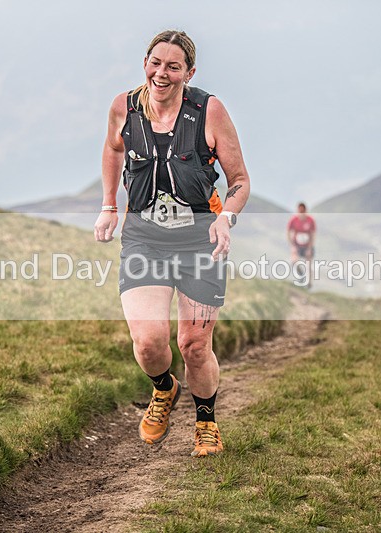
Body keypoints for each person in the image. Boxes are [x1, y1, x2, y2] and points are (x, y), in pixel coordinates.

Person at [94, 30, 250, 457]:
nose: (161, 73)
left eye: (173, 66)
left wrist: (226, 219)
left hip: (201, 239)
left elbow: (239, 181)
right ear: (145, 62)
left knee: (194, 346)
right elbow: (113, 150)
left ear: (189, 73)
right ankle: (164, 389)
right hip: (144, 236)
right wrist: (110, 204)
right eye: (155, 62)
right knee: (148, 342)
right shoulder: (123, 106)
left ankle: (205, 423)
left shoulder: (209, 111)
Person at [287, 202, 316, 288]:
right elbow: (288, 232)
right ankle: (301, 276)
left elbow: (313, 234)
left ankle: (309, 284)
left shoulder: (310, 220)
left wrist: (310, 248)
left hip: (307, 246)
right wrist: (292, 246)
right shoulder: (293, 220)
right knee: (294, 261)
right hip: (297, 245)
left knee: (308, 264)